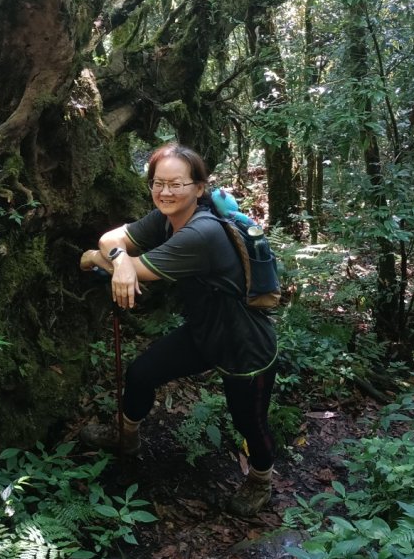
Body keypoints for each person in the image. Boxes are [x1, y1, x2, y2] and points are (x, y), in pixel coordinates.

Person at [79, 143, 278, 516]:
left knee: (248, 420)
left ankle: (261, 479)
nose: (165, 192)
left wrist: (97, 259)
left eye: (176, 184)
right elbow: (112, 239)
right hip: (204, 332)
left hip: (243, 343)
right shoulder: (167, 217)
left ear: (199, 188)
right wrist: (119, 260)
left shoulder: (201, 233)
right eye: (158, 183)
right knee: (142, 374)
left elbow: (123, 262)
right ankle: (127, 435)